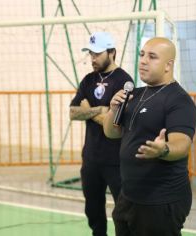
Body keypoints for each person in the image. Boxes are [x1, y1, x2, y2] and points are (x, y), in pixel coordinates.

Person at [103, 37, 196, 236]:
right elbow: (111, 133)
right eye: (142, 54)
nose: (143, 60)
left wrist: (163, 149)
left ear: (168, 65)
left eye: (152, 57)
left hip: (161, 200)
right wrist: (112, 110)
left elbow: (182, 143)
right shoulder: (134, 94)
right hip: (129, 196)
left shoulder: (179, 100)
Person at [69, 31, 133, 236]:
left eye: (97, 53)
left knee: (123, 210)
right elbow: (73, 112)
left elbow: (116, 121)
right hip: (91, 158)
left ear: (112, 52)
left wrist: (88, 109)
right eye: (90, 53)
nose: (93, 58)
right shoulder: (88, 80)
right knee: (93, 208)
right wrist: (101, 110)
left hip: (116, 159)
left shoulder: (124, 81)